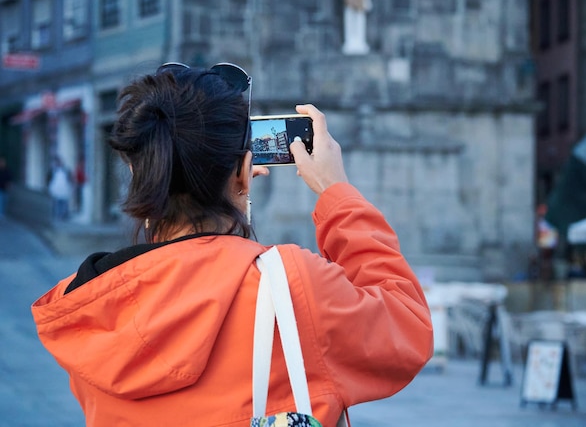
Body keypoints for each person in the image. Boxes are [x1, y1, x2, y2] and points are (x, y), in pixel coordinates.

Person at [31, 63, 433, 426]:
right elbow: (406, 327)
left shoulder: (86, 305)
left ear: (138, 170)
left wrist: (226, 190)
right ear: (245, 169)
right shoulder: (291, 287)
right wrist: (336, 192)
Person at [47, 156, 73, 220]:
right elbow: (48, 179)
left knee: (64, 203)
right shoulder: (53, 170)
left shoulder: (66, 170)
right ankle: (58, 216)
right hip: (56, 190)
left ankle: (63, 216)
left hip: (64, 190)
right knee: (57, 204)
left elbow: (70, 179)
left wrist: (71, 187)